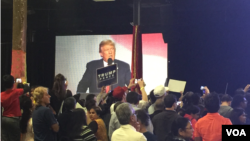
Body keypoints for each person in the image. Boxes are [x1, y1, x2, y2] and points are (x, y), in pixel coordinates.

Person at [0, 75, 30, 141]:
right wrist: (21, 83)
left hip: (4, 119)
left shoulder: (1, 95)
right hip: (13, 120)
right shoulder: (16, 92)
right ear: (13, 83)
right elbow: (27, 88)